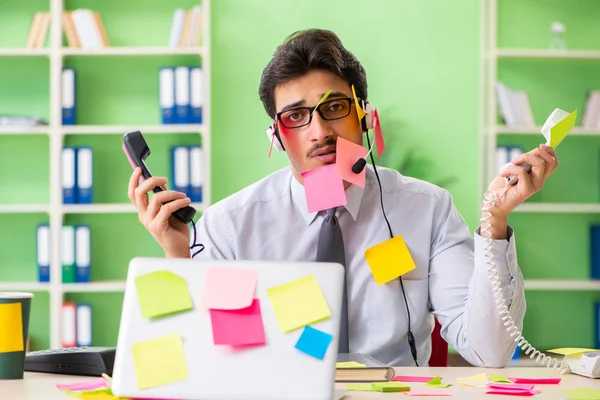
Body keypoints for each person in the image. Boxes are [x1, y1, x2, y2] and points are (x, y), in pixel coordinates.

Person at [128, 29, 559, 367]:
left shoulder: (426, 209)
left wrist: (495, 224)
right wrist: (177, 255)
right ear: (276, 137)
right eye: (296, 117)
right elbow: (200, 354)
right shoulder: (229, 225)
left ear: (364, 117)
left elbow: (489, 351)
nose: (320, 132)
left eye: (334, 107)